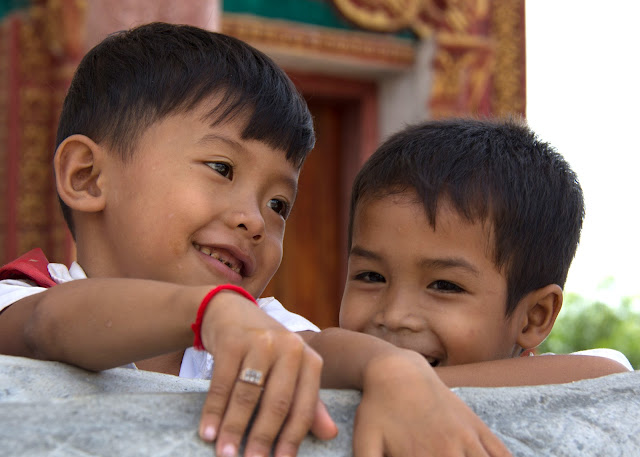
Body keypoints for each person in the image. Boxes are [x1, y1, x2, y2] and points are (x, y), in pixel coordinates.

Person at [0, 23, 512, 457]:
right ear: (88, 176)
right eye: (221, 168)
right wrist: (211, 313)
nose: (255, 221)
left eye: (278, 205)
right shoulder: (27, 297)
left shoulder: (259, 329)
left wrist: (389, 367)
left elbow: (322, 351)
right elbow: (52, 325)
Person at [340, 117, 633, 389]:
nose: (394, 316)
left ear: (533, 316)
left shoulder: (551, 387)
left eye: (444, 285)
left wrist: (390, 378)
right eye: (371, 276)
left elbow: (609, 374)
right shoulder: (323, 361)